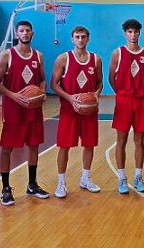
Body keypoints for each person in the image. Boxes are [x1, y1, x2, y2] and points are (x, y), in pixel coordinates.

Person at [0, 21, 49, 205]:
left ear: (32, 33)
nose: (25, 33)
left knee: (34, 146)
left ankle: (32, 184)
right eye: (21, 31)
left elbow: (42, 80)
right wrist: (14, 96)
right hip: (13, 110)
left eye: (27, 31)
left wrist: (41, 93)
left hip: (33, 110)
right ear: (17, 34)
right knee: (6, 149)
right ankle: (5, 188)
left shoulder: (38, 56)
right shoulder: (7, 55)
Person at [51, 26, 103, 199]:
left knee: (89, 145)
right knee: (64, 147)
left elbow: (100, 83)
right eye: (77, 37)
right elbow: (54, 84)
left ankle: (85, 179)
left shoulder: (96, 59)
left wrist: (96, 94)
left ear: (88, 38)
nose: (80, 40)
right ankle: (61, 182)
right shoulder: (63, 58)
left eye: (83, 37)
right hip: (69, 111)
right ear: (72, 39)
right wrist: (70, 98)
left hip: (89, 110)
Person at [109, 19, 144, 194]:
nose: (133, 35)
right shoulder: (117, 53)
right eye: (129, 32)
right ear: (125, 33)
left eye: (135, 32)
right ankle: (122, 178)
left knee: (139, 141)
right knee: (121, 140)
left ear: (139, 33)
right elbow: (111, 78)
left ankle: (138, 177)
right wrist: (122, 93)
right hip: (124, 101)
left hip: (141, 101)